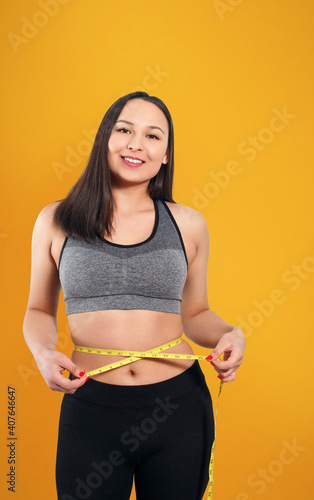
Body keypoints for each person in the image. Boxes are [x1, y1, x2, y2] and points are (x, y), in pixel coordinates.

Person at [23, 91, 246, 500]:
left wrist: (230, 334)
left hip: (179, 407)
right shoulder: (56, 221)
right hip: (91, 408)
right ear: (104, 139)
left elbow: (196, 313)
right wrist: (42, 353)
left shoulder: (188, 224)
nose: (135, 144)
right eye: (124, 130)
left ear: (166, 155)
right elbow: (39, 308)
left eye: (152, 136)